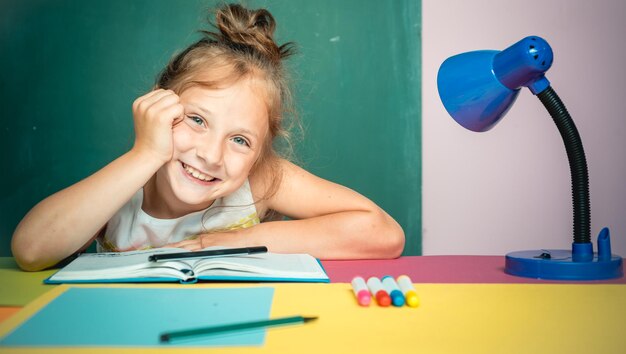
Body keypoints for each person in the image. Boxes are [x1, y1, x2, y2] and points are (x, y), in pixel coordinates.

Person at [11, 3, 404, 272]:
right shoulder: (126, 182)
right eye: (197, 120)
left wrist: (243, 239)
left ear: (260, 152)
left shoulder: (261, 179)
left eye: (240, 141)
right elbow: (30, 251)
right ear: (159, 107)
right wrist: (145, 154)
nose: (211, 155)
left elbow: (384, 234)